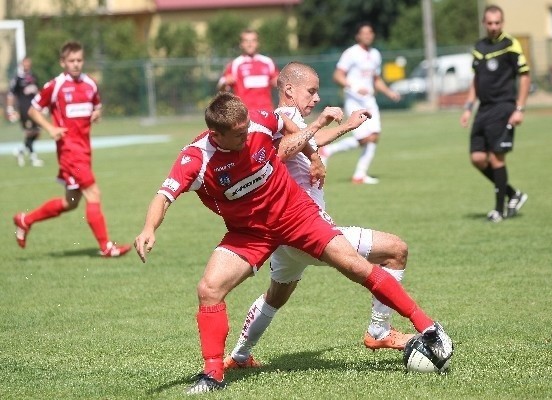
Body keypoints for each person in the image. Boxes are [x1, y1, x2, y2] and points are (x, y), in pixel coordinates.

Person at [134, 91, 453, 394]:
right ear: (216, 135)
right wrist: (149, 228)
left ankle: (427, 327)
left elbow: (286, 126)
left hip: (296, 214)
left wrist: (314, 155)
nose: (247, 135)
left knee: (357, 267)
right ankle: (213, 374)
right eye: (238, 134)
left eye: (247, 128)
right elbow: (164, 196)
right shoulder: (196, 159)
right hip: (249, 232)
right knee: (209, 289)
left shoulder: (257, 121)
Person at [223, 62, 414, 371]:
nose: (315, 98)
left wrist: (346, 127)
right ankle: (379, 330)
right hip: (306, 228)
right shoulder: (282, 118)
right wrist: (322, 124)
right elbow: (283, 151)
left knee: (276, 295)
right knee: (396, 250)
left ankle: (239, 356)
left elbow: (310, 143)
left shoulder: (290, 120)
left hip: (284, 233)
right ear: (289, 90)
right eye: (310, 91)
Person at [12, 41, 131, 257]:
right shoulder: (55, 85)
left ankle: (25, 220)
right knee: (93, 193)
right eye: (71, 61)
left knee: (71, 202)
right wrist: (50, 128)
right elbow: (33, 110)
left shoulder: (90, 84)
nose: (76, 64)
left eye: (79, 60)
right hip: (69, 151)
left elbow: (97, 106)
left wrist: (97, 114)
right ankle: (106, 247)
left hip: (85, 150)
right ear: (63, 62)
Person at [459, 4, 530, 223]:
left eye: (497, 23)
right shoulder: (479, 47)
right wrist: (468, 107)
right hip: (484, 109)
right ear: (484, 23)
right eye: (489, 23)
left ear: (502, 23)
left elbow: (525, 75)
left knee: (497, 158)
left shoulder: (511, 44)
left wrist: (519, 108)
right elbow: (476, 81)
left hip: (504, 107)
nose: (493, 27)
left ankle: (499, 210)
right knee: (478, 158)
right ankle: (512, 194)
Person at [319, 22, 401, 185]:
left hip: (370, 101)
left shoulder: (376, 54)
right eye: (364, 33)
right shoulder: (351, 53)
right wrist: (355, 87)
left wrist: (389, 92)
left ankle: (359, 175)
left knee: (374, 136)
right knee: (364, 138)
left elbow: (375, 79)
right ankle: (328, 150)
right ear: (358, 36)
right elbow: (337, 75)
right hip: (354, 101)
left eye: (370, 32)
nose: (368, 35)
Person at [216, 28, 279, 112]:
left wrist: (278, 82)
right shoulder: (235, 64)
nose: (250, 44)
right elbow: (221, 86)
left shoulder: (268, 62)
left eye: (253, 41)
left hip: (267, 112)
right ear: (241, 44)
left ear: (258, 43)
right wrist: (225, 83)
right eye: (246, 41)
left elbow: (279, 82)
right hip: (245, 115)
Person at [6, 57, 44, 167]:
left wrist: (43, 106)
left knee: (37, 132)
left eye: (28, 64)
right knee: (29, 132)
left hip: (35, 109)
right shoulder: (17, 79)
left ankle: (20, 151)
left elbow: (39, 92)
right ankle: (33, 158)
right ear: (22, 65)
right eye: (25, 64)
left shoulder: (34, 77)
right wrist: (10, 109)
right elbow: (11, 94)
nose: (27, 66)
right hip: (24, 109)